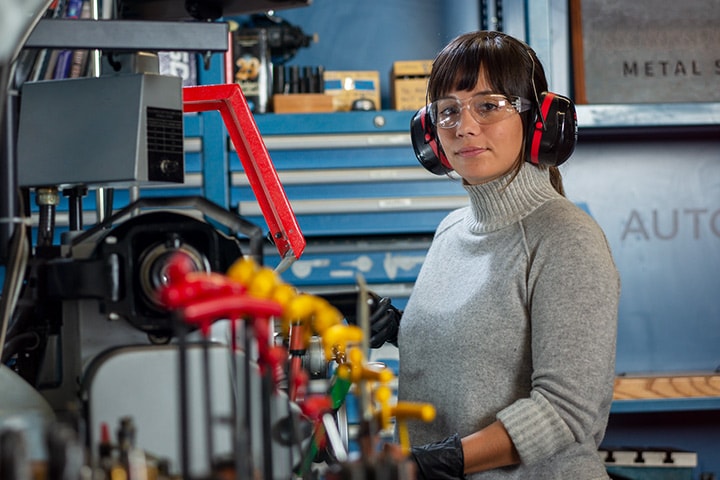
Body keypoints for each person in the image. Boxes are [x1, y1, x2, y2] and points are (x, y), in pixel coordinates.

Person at [371, 30, 620, 479]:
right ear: (429, 133)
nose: (464, 126)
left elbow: (565, 412)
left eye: (488, 105)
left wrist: (442, 460)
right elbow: (487, 350)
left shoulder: (566, 239)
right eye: (447, 111)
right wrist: (400, 329)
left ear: (540, 120)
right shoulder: (451, 231)